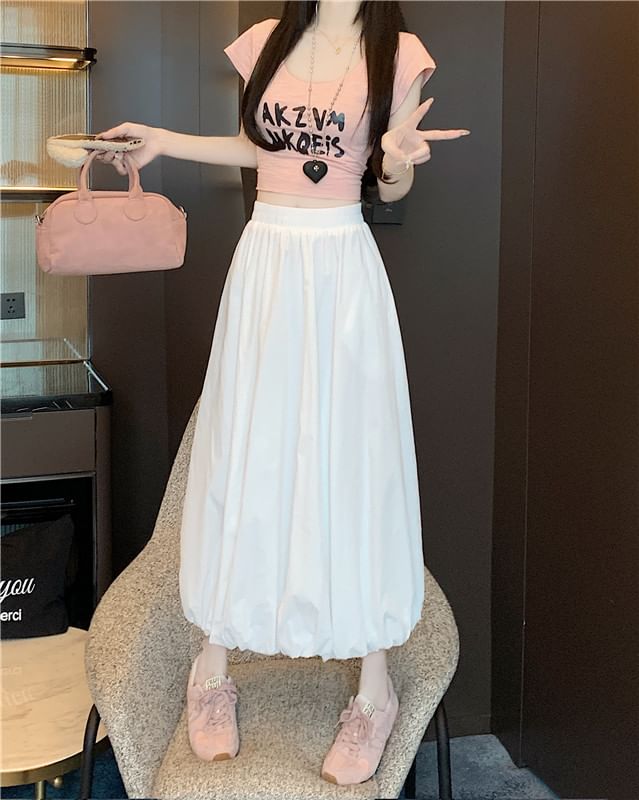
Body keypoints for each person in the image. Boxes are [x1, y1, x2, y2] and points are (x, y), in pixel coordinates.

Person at [96, 0, 469, 785]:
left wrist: (394, 159)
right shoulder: (265, 42)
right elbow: (257, 147)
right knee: (244, 453)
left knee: (355, 464)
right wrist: (164, 140)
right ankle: (211, 666)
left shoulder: (398, 54)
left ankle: (373, 691)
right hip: (265, 261)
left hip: (341, 269)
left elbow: (389, 186)